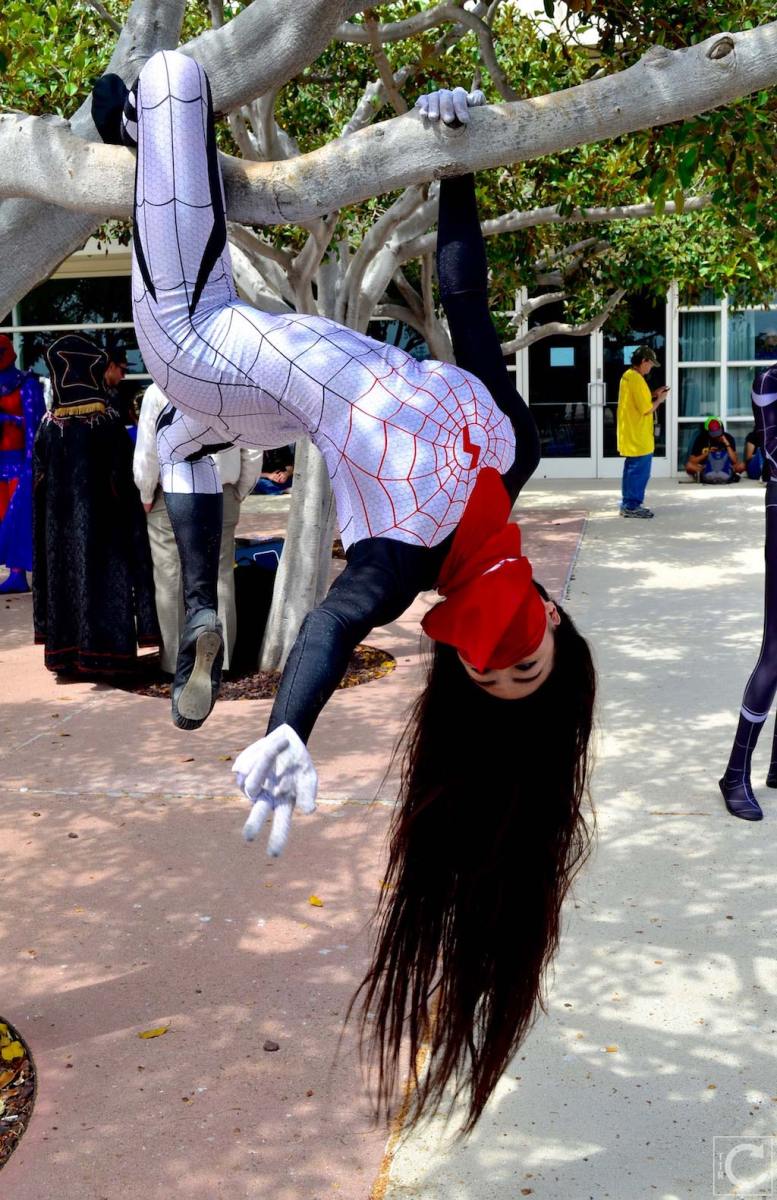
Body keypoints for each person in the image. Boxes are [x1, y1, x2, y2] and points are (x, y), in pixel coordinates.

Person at [93, 59, 596, 1129]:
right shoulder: (512, 448)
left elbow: (330, 621)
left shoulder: (400, 560)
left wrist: (289, 730)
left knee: (178, 73)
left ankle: (141, 123)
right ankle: (196, 593)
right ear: (556, 623)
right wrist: (448, 156)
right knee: (188, 437)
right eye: (531, 659)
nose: (507, 646)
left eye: (489, 668)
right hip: (263, 406)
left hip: (201, 340)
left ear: (460, 663)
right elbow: (463, 300)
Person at [32, 334, 160, 675]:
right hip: (106, 528)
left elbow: (39, 485)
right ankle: (105, 656)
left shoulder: (47, 428)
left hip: (59, 530)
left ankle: (67, 657)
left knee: (65, 581)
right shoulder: (106, 424)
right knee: (104, 581)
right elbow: (123, 478)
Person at [133, 382, 262, 674]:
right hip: (223, 488)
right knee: (220, 574)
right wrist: (240, 489)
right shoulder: (233, 386)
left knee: (170, 575)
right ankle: (221, 662)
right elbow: (252, 446)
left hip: (171, 490)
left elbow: (148, 450)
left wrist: (145, 492)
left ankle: (176, 664)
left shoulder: (159, 389)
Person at [720, 364, 777, 820]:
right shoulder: (769, 380)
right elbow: (773, 452)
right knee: (774, 652)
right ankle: (735, 773)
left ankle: (776, 764)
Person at [0, 334, 45, 593]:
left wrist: (31, 465)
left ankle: (18, 575)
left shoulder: (26, 383)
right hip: (4, 461)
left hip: (20, 462)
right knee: (4, 517)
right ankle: (14, 574)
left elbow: (34, 426)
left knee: (17, 518)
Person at [616, 345, 668, 518]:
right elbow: (646, 409)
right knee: (639, 472)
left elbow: (638, 400)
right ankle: (632, 505)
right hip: (639, 437)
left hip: (631, 433)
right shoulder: (637, 379)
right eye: (650, 363)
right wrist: (659, 399)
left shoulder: (627, 376)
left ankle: (627, 503)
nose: (651, 367)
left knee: (631, 470)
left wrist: (653, 393)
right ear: (643, 361)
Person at [685, 417, 743, 483]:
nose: (716, 436)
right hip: (707, 468)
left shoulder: (728, 438)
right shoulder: (700, 439)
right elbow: (691, 461)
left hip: (725, 467)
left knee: (741, 465)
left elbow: (735, 461)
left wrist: (727, 444)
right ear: (707, 431)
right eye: (713, 434)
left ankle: (722, 476)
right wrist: (706, 454)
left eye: (718, 433)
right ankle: (707, 476)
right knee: (689, 466)